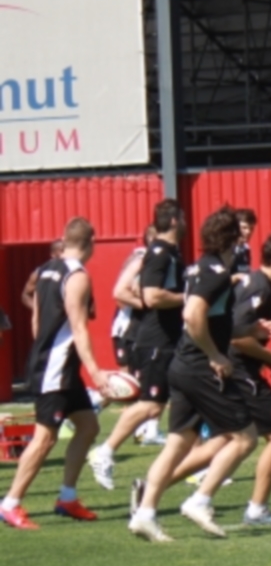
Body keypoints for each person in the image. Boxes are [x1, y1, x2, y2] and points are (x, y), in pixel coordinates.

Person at [142, 232, 271, 523]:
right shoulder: (260, 288)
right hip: (239, 370)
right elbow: (236, 338)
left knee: (220, 442)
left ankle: (151, 490)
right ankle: (254, 509)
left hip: (232, 368)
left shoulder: (258, 284)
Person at [128, 207, 264, 542]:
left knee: (178, 443)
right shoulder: (216, 271)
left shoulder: (199, 268)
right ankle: (199, 501)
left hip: (182, 364)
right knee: (245, 436)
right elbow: (192, 314)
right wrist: (215, 354)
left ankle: (145, 514)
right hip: (199, 367)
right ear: (232, 238)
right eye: (240, 232)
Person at [1, 219, 108, 530]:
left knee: (88, 426)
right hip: (55, 369)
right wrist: (96, 371)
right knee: (45, 438)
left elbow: (36, 319)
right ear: (91, 244)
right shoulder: (77, 276)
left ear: (64, 240)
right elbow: (78, 327)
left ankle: (67, 497)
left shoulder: (46, 269)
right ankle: (10, 504)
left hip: (55, 364)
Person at [90, 201, 188, 490]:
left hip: (170, 339)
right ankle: (104, 451)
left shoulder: (170, 253)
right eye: (182, 217)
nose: (185, 222)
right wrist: (189, 297)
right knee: (150, 405)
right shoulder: (158, 253)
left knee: (177, 401)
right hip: (155, 342)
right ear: (173, 221)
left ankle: (195, 463)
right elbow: (151, 296)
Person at [108, 224, 156, 372]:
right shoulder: (139, 259)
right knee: (128, 374)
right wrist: (145, 303)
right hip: (125, 328)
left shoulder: (156, 260)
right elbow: (120, 296)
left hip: (140, 328)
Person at [21, 239, 64, 310]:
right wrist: (40, 310)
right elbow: (25, 295)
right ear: (52, 254)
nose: (63, 254)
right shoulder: (40, 272)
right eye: (61, 250)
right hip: (49, 318)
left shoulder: (72, 270)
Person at [232, 208, 257, 277]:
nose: (248, 232)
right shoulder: (226, 250)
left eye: (251, 228)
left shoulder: (246, 249)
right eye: (244, 228)